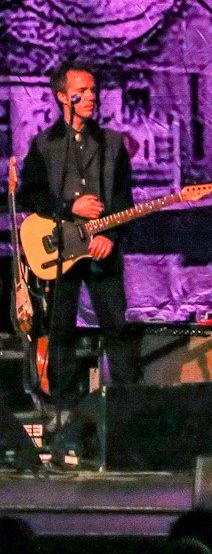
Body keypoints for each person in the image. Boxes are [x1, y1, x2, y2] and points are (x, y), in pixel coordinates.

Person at [16, 63, 140, 418]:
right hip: (61, 250)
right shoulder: (45, 144)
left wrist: (110, 234)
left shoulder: (112, 144)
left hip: (101, 250)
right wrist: (70, 206)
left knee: (116, 325)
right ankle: (65, 411)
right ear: (61, 97)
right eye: (81, 92)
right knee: (60, 330)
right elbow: (30, 197)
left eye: (92, 91)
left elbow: (123, 200)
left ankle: (129, 408)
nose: (90, 98)